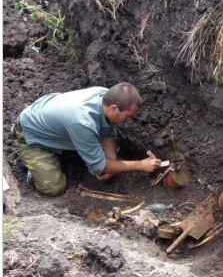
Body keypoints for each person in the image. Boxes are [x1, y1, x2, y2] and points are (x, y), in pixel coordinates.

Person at [13, 82, 161, 196]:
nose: (129, 120)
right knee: (53, 189)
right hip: (32, 134)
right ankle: (34, 170)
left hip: (58, 121)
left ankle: (68, 150)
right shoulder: (81, 121)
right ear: (114, 108)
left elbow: (108, 129)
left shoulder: (104, 96)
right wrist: (140, 165)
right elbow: (100, 166)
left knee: (108, 157)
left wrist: (110, 162)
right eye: (128, 116)